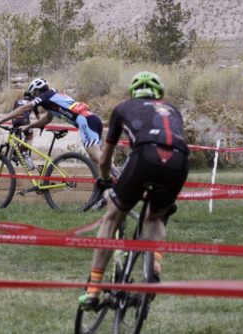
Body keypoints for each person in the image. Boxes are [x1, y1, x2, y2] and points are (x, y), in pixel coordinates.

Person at [78, 71, 190, 308]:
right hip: (179, 161)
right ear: (159, 93)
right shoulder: (172, 109)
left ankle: (94, 289)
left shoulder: (123, 108)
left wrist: (106, 180)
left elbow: (104, 158)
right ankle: (154, 269)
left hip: (145, 156)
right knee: (156, 217)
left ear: (133, 93)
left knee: (111, 217)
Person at [0, 78, 103, 165]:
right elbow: (46, 119)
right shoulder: (53, 97)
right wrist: (28, 126)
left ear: (37, 91)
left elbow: (24, 108)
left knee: (98, 157)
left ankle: (116, 181)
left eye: (34, 94)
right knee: (95, 160)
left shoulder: (45, 97)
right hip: (92, 119)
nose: (34, 97)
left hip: (84, 121)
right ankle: (103, 188)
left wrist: (1, 120)